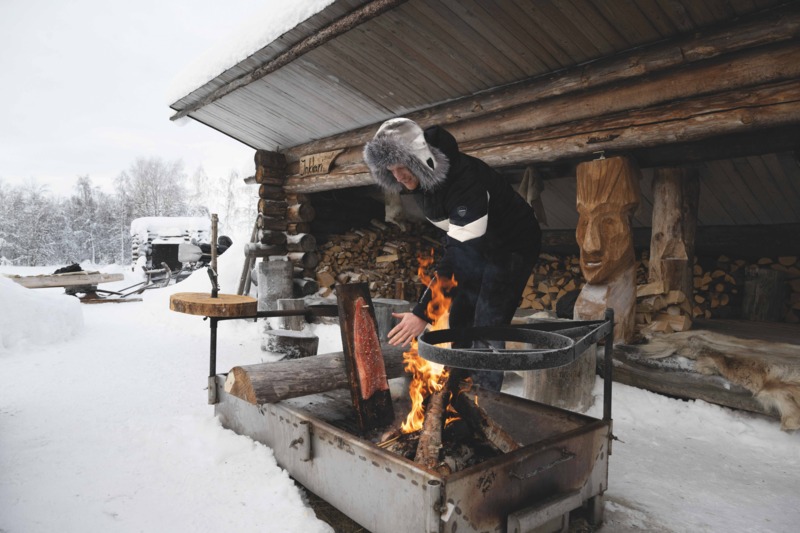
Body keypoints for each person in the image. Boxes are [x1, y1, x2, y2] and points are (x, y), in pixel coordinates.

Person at [364, 118, 542, 391]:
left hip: (512, 244)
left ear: (420, 158)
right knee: (460, 312)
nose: (398, 176)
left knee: (487, 320)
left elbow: (462, 252)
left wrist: (423, 311)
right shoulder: (422, 181)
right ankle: (458, 385)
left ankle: (485, 397)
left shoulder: (464, 179)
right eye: (391, 170)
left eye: (401, 167)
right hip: (476, 243)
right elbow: (457, 241)